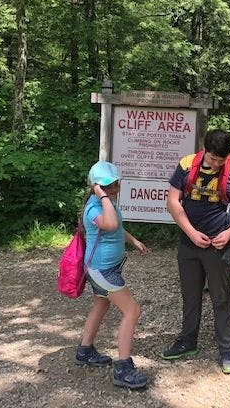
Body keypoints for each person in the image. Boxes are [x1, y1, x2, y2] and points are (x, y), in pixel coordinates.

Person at [161, 129, 230, 374]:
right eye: (213, 158)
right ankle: (187, 341)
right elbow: (173, 201)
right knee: (190, 295)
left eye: (221, 160)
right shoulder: (186, 165)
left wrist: (229, 233)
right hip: (188, 243)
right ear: (205, 150)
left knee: (221, 297)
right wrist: (191, 233)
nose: (216, 164)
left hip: (220, 246)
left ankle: (227, 350)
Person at [76, 160, 149, 389]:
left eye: (115, 185)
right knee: (132, 310)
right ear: (96, 187)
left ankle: (85, 351)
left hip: (106, 268)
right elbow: (109, 223)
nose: (114, 190)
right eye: (107, 187)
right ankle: (123, 369)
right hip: (102, 270)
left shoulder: (106, 203)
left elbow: (117, 225)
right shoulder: (94, 207)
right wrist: (102, 196)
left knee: (101, 305)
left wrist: (133, 240)